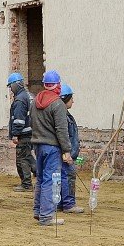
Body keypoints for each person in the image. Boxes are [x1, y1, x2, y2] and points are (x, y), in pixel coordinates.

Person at [27, 70, 72, 226]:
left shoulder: (35, 102)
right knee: (50, 181)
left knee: (40, 179)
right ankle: (46, 216)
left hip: (38, 146)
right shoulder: (58, 104)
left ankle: (38, 211)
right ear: (58, 85)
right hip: (52, 148)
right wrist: (66, 151)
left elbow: (31, 123)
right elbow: (62, 129)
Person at [7, 72, 34, 191]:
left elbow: (18, 120)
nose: (10, 89)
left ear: (15, 85)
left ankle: (26, 184)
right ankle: (42, 177)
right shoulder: (30, 96)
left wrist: (15, 134)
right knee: (29, 158)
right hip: (32, 133)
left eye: (10, 86)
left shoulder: (19, 100)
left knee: (22, 159)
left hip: (24, 134)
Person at [58, 83, 81, 212]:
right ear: (65, 98)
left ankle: (61, 203)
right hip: (66, 155)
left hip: (65, 153)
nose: (73, 101)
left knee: (62, 177)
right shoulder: (63, 117)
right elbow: (64, 136)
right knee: (67, 176)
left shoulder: (63, 115)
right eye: (71, 98)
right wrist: (67, 153)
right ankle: (68, 204)